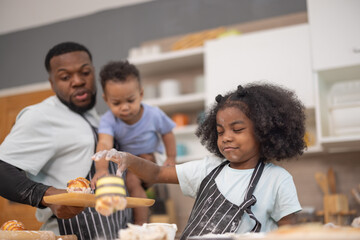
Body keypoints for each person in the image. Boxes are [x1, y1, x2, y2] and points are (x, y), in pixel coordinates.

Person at [93, 83, 306, 239]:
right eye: (220, 132)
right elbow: (157, 174)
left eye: (237, 129)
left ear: (264, 131)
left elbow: (289, 233)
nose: (227, 137)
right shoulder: (208, 168)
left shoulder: (277, 180)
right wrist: (128, 159)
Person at [0, 42, 132, 239]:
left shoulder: (97, 118)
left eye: (85, 72)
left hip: (116, 230)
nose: (78, 81)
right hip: (71, 233)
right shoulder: (41, 115)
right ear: (52, 83)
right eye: (65, 77)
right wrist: (48, 196)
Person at [90, 60, 177, 225]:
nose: (124, 107)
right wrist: (101, 170)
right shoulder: (108, 120)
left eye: (130, 100)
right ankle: (139, 219)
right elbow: (104, 144)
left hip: (151, 156)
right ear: (106, 100)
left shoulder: (154, 114)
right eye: (116, 103)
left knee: (132, 179)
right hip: (128, 162)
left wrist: (171, 157)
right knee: (128, 182)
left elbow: (167, 133)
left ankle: (140, 224)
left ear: (141, 94)